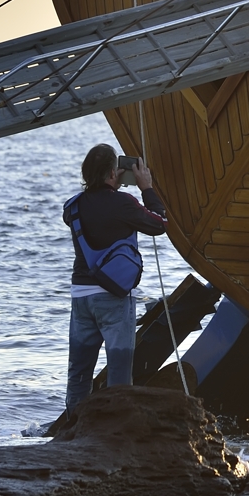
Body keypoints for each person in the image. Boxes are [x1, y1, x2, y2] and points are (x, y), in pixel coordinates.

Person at [64, 143, 168, 412]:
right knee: (119, 373)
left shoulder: (72, 207)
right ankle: (116, 433)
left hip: (81, 296)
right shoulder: (123, 203)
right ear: (114, 172)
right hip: (114, 296)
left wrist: (112, 182)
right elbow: (159, 223)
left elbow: (96, 207)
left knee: (79, 372)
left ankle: (73, 430)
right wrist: (146, 188)